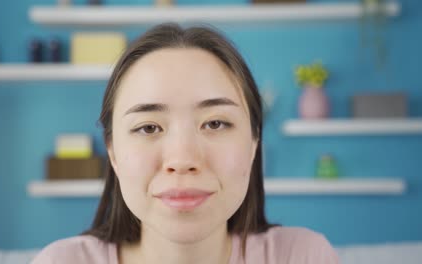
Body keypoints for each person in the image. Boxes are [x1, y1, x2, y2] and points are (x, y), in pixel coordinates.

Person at [31, 23, 339, 264]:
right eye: (148, 127)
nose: (182, 158)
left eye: (215, 123)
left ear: (253, 144)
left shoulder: (304, 257)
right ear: (112, 152)